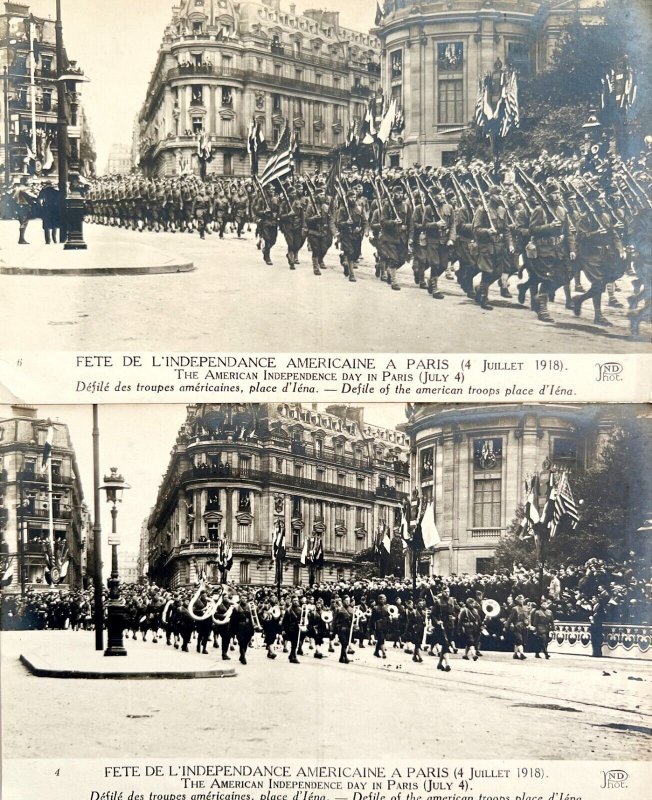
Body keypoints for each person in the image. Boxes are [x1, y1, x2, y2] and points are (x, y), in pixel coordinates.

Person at [506, 594, 529, 660]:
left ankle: (515, 654)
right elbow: (510, 618)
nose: (521, 600)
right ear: (517, 600)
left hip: (524, 626)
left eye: (522, 599)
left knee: (518, 641)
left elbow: (527, 617)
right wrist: (506, 626)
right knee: (519, 640)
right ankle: (522, 654)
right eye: (520, 599)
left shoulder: (525, 608)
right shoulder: (514, 609)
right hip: (517, 626)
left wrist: (528, 623)